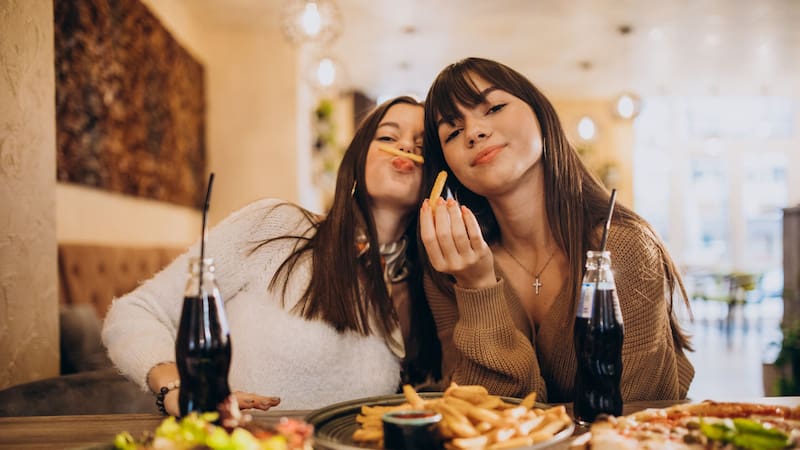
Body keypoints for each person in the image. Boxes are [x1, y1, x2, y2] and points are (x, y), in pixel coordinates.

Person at [102, 96, 440, 415]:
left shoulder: (424, 285)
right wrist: (178, 387)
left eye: (422, 144)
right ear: (356, 160)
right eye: (388, 136)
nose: (407, 147)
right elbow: (136, 312)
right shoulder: (276, 226)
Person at [417, 57, 694, 403]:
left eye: (494, 107)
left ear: (540, 114)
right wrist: (477, 287)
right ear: (447, 166)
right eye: (453, 132)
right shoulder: (452, 265)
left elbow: (635, 409)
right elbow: (484, 416)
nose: (474, 132)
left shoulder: (624, 246)